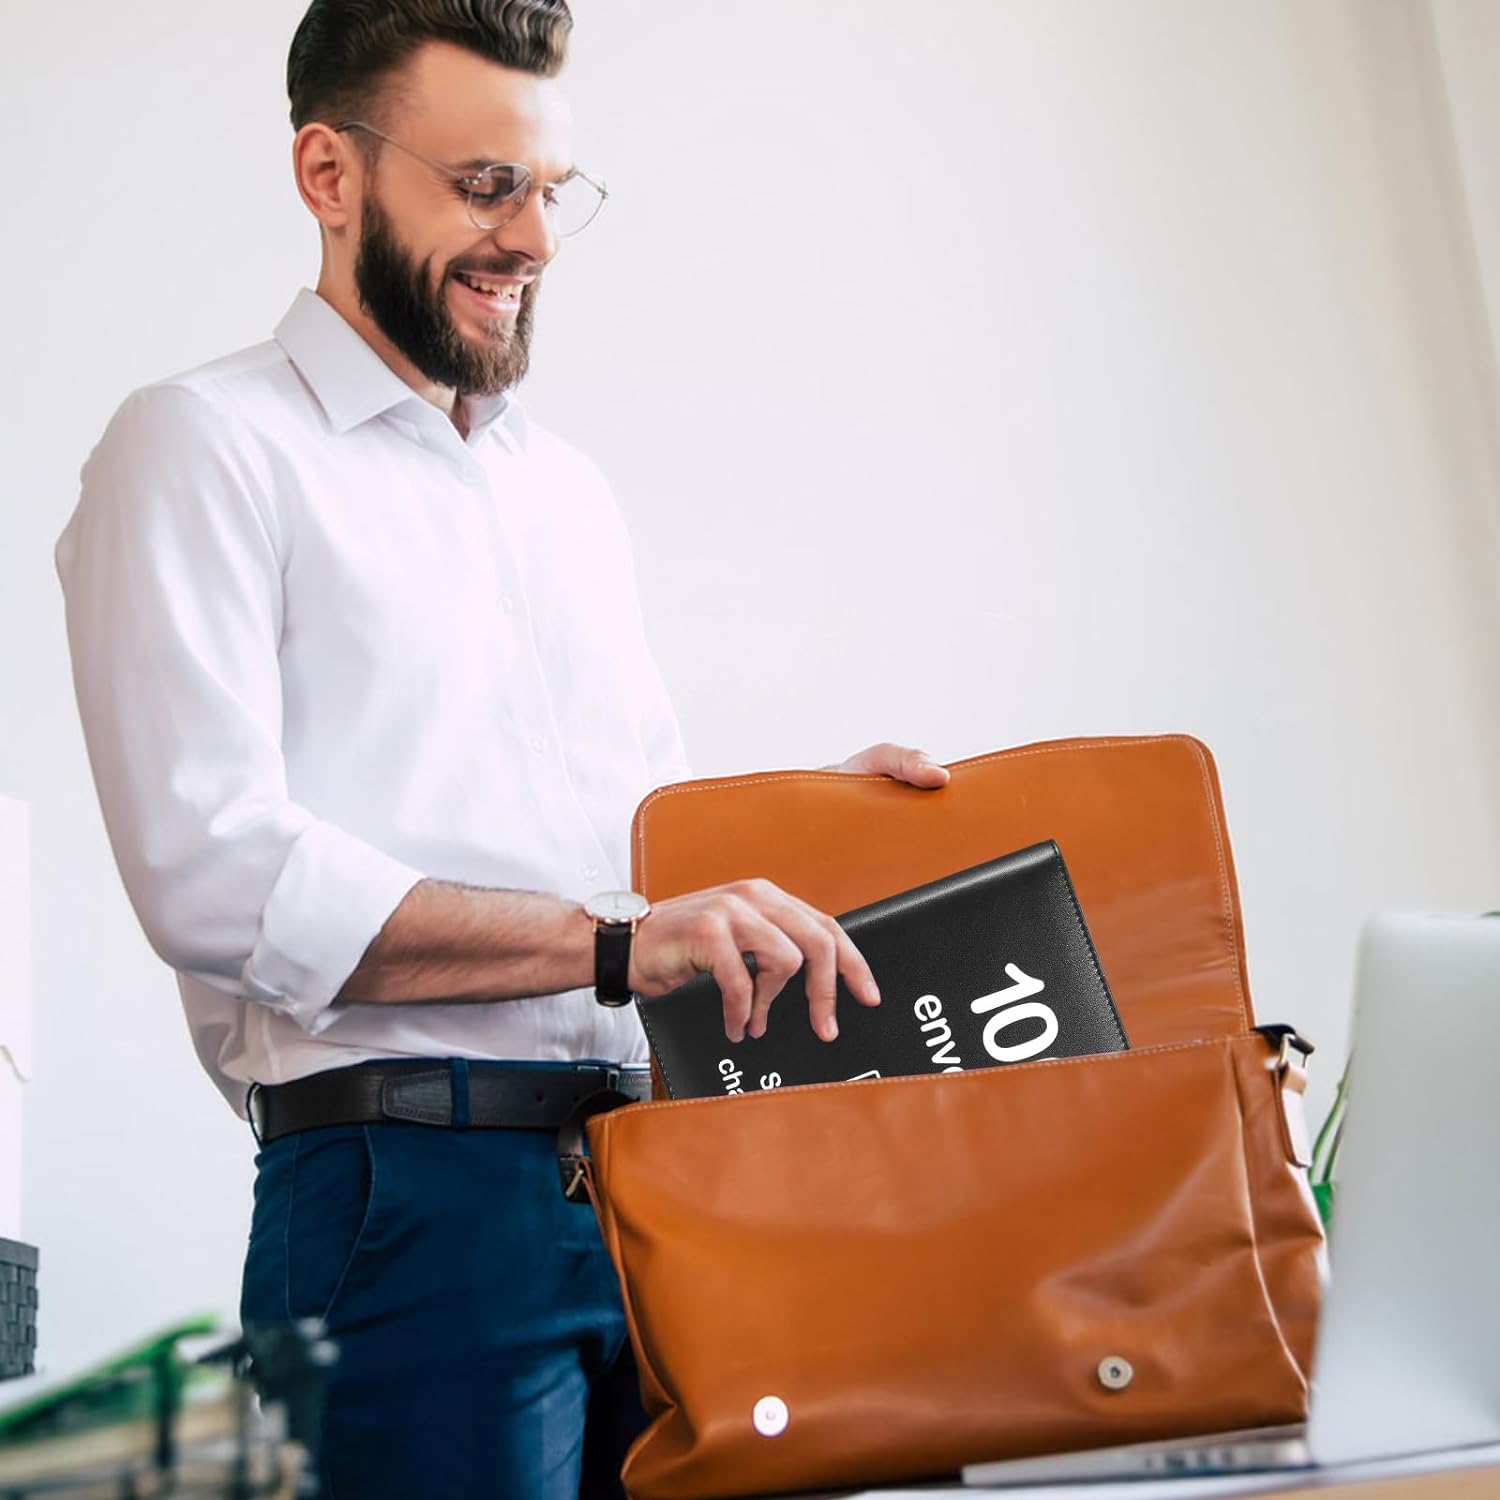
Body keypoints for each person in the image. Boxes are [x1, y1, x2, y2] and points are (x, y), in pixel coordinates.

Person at [55, 2, 950, 1495]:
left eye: (552, 191)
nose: (531, 238)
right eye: (484, 188)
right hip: (407, 1205)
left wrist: (823, 835)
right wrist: (615, 942)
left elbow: (631, 866)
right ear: (329, 175)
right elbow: (214, 875)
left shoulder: (564, 494)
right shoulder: (201, 445)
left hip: (654, 1188)